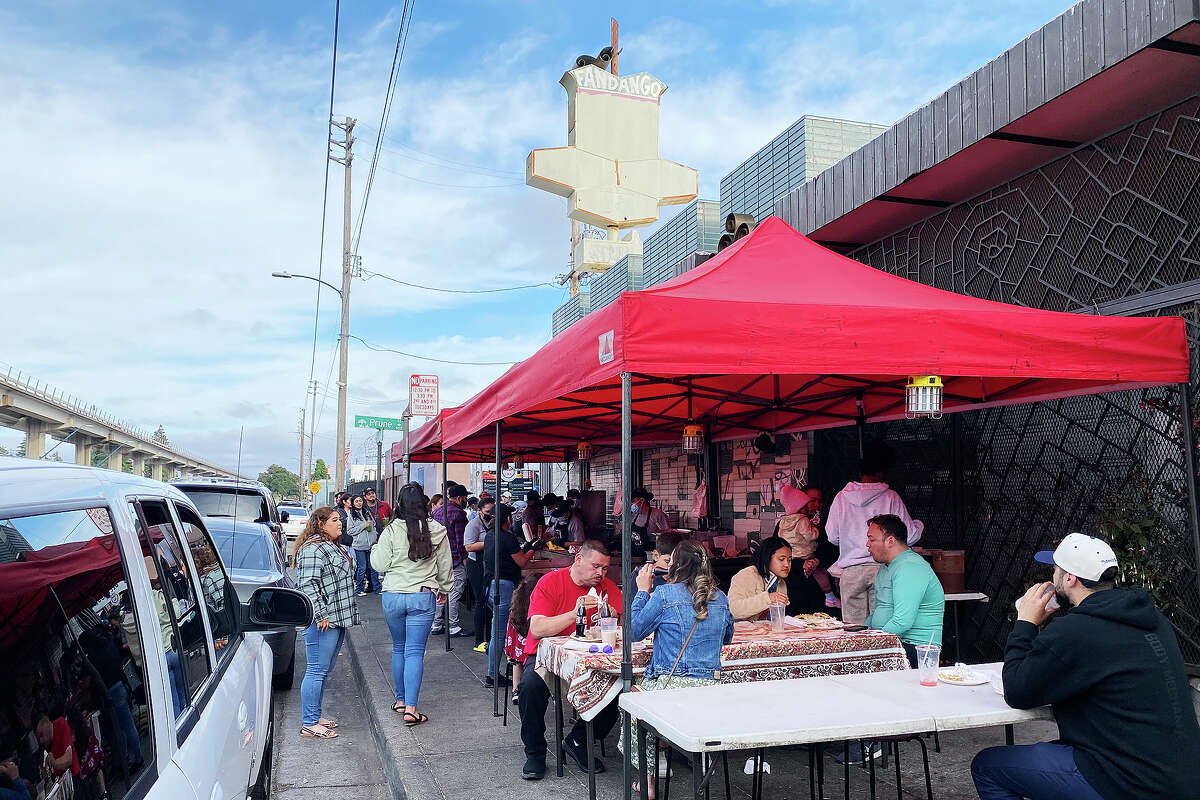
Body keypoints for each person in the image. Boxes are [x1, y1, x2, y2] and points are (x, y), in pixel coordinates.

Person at [971, 533, 1200, 799]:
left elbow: (1017, 691)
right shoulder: (1151, 618)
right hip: (1181, 775)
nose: (1052, 574)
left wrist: (1026, 624)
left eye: (1055, 569)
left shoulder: (1074, 630)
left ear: (1070, 578)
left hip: (1127, 782)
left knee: (988, 766)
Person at [622, 540, 734, 797]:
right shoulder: (721, 597)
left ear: (675, 565)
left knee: (631, 705)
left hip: (670, 687)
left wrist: (641, 591)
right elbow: (727, 637)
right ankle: (678, 750)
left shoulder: (664, 595)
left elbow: (634, 631)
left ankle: (647, 778)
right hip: (711, 690)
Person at [517, 540, 623, 781]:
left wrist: (614, 616)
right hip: (547, 657)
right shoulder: (551, 582)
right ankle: (535, 751)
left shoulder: (607, 588)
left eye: (605, 568)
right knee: (529, 687)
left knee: (619, 688)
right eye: (596, 566)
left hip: (593, 657)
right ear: (578, 560)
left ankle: (579, 740)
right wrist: (576, 612)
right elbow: (537, 628)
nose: (600, 573)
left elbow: (624, 626)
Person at [370, 483, 453, 727]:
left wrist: (375, 547)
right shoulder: (437, 530)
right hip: (422, 594)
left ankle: (400, 699)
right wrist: (445, 589)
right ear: (425, 503)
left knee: (399, 648)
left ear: (398, 504)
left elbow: (380, 565)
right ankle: (412, 709)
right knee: (415, 652)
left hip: (393, 595)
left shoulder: (391, 530)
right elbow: (445, 566)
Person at [826, 444, 923, 625]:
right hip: (882, 570)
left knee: (854, 632)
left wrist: (850, 540)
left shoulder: (841, 497)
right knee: (882, 627)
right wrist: (919, 525)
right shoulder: (891, 497)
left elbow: (832, 536)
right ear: (881, 473)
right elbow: (908, 536)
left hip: (851, 571)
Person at [295, 506, 358, 739]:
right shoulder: (313, 548)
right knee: (316, 670)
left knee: (324, 670)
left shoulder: (330, 545)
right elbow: (308, 584)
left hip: (337, 617)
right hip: (323, 621)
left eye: (339, 519)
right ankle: (309, 722)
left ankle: (315, 715)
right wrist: (320, 614)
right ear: (321, 524)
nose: (339, 523)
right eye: (334, 520)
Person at [863, 514, 943, 662]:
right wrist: (860, 635)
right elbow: (876, 610)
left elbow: (902, 621)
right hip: (891, 643)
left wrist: (869, 645)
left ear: (890, 541)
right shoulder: (886, 567)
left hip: (914, 649)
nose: (867, 544)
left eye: (871, 539)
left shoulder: (909, 566)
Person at [483, 504, 536, 688]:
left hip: (491, 585)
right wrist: (532, 549)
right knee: (499, 633)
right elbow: (521, 561)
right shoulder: (507, 537)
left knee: (494, 631)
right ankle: (492, 676)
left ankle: (492, 673)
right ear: (507, 520)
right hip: (504, 587)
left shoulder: (489, 535)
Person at [776, 486, 839, 613]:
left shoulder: (828, 524)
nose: (816, 505)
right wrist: (800, 564)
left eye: (820, 501)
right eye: (812, 500)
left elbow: (832, 551)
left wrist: (817, 561)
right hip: (795, 590)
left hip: (819, 595)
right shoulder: (789, 524)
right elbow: (776, 555)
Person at [431, 484, 470, 637]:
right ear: (460, 498)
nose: (466, 500)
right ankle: (453, 625)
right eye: (465, 497)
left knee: (440, 590)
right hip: (454, 559)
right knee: (454, 591)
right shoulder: (459, 514)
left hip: (438, 558)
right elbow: (462, 542)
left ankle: (437, 623)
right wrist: (463, 559)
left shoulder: (438, 511)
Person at [728, 535, 791, 620]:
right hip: (743, 631)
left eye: (789, 560)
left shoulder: (780, 583)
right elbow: (732, 610)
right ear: (767, 557)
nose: (787, 565)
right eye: (781, 559)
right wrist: (768, 598)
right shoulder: (746, 575)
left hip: (766, 631)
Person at [464, 496, 495, 653]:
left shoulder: (493, 523)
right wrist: (490, 541)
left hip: (489, 565)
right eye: (488, 511)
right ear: (479, 510)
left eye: (493, 511)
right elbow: (468, 546)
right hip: (476, 565)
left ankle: (490, 638)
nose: (491, 514)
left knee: (490, 603)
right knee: (481, 601)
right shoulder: (473, 525)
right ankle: (479, 640)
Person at [504, 574, 540, 705]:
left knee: (516, 660)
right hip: (534, 652)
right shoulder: (538, 607)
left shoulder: (515, 607)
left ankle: (515, 690)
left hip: (517, 650)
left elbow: (510, 634)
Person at [347, 494, 381, 597]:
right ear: (353, 503)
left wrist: (374, 534)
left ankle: (377, 588)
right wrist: (363, 526)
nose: (359, 503)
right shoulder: (351, 516)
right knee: (362, 568)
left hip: (371, 544)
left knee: (373, 567)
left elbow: (373, 524)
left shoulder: (367, 512)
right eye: (356, 501)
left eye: (360, 501)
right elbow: (350, 531)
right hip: (359, 546)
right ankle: (359, 589)